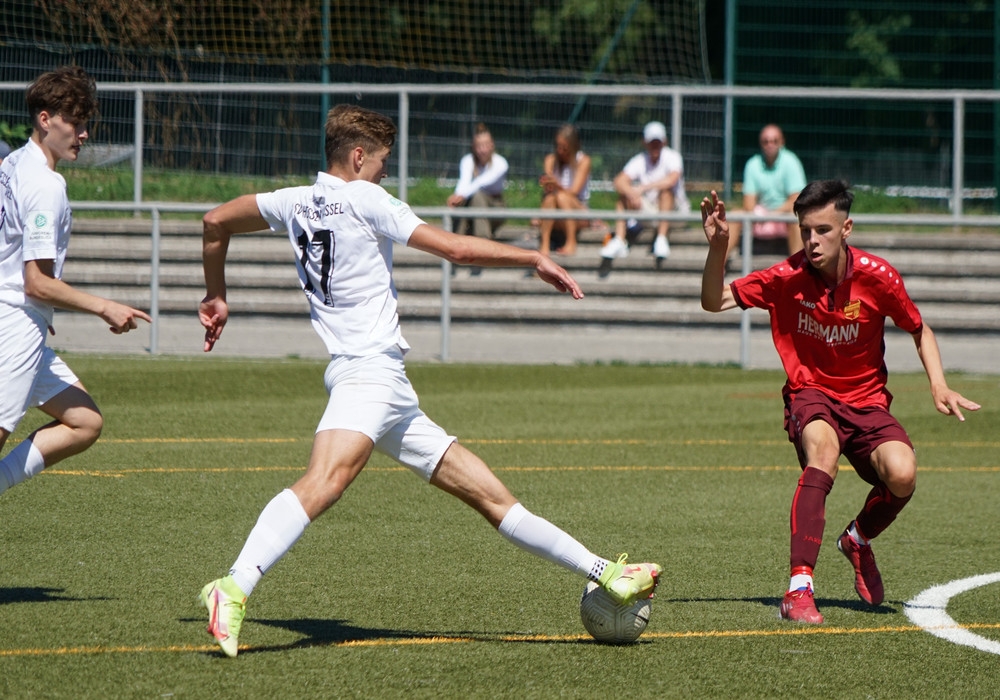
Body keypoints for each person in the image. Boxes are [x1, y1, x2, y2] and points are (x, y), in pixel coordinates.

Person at [196, 104, 663, 658]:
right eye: (382, 163)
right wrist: (531, 256)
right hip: (367, 373)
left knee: (493, 498)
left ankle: (605, 572)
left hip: (384, 386)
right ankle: (234, 586)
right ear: (358, 156)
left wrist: (216, 294)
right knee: (324, 480)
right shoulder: (366, 198)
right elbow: (455, 247)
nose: (384, 175)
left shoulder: (291, 201)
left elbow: (214, 221)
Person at [699, 180, 980, 625]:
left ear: (846, 228)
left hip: (867, 401)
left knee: (903, 474)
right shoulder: (786, 277)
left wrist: (939, 385)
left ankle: (857, 539)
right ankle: (799, 589)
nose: (812, 241)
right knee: (824, 453)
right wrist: (718, 248)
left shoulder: (878, 276)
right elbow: (713, 301)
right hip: (811, 393)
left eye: (823, 230)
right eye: (805, 231)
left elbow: (919, 329)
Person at [0, 67, 150, 499]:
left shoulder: (13, 162)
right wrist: (105, 307)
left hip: (21, 319)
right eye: (75, 123)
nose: (83, 134)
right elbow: (37, 284)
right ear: (45, 119)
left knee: (84, 421)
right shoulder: (45, 186)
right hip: (13, 326)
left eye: (86, 124)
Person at [600, 121, 690, 275]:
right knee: (623, 197)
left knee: (666, 192)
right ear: (645, 142)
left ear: (664, 142)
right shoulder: (640, 160)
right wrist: (631, 193)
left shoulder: (673, 157)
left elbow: (671, 180)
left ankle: (661, 238)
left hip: (676, 213)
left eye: (658, 142)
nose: (655, 146)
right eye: (651, 142)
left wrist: (642, 188)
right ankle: (620, 240)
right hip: (652, 212)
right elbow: (619, 181)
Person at [727, 124, 807, 259]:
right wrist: (761, 216)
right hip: (761, 214)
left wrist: (772, 215)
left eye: (774, 141)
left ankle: (797, 266)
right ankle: (720, 265)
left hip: (785, 215)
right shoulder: (753, 164)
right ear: (761, 143)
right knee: (734, 216)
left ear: (782, 142)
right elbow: (749, 204)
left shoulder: (791, 162)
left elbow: (796, 200)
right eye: (766, 141)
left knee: (796, 217)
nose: (770, 145)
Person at [537, 123, 591, 256]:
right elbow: (549, 189)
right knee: (550, 198)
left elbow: (574, 192)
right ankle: (544, 245)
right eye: (558, 146)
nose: (560, 151)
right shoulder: (550, 160)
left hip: (578, 209)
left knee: (562, 196)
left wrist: (557, 185)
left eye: (565, 148)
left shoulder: (583, 161)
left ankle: (571, 242)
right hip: (555, 210)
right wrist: (547, 183)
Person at [446, 123, 508, 240]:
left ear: (492, 145)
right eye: (479, 146)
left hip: (495, 206)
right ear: (473, 147)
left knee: (477, 196)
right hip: (472, 205)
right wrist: (457, 197)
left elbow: (481, 182)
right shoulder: (467, 160)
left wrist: (461, 195)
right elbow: (464, 182)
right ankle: (456, 238)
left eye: (485, 145)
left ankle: (482, 239)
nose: (482, 150)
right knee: (463, 201)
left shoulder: (501, 163)